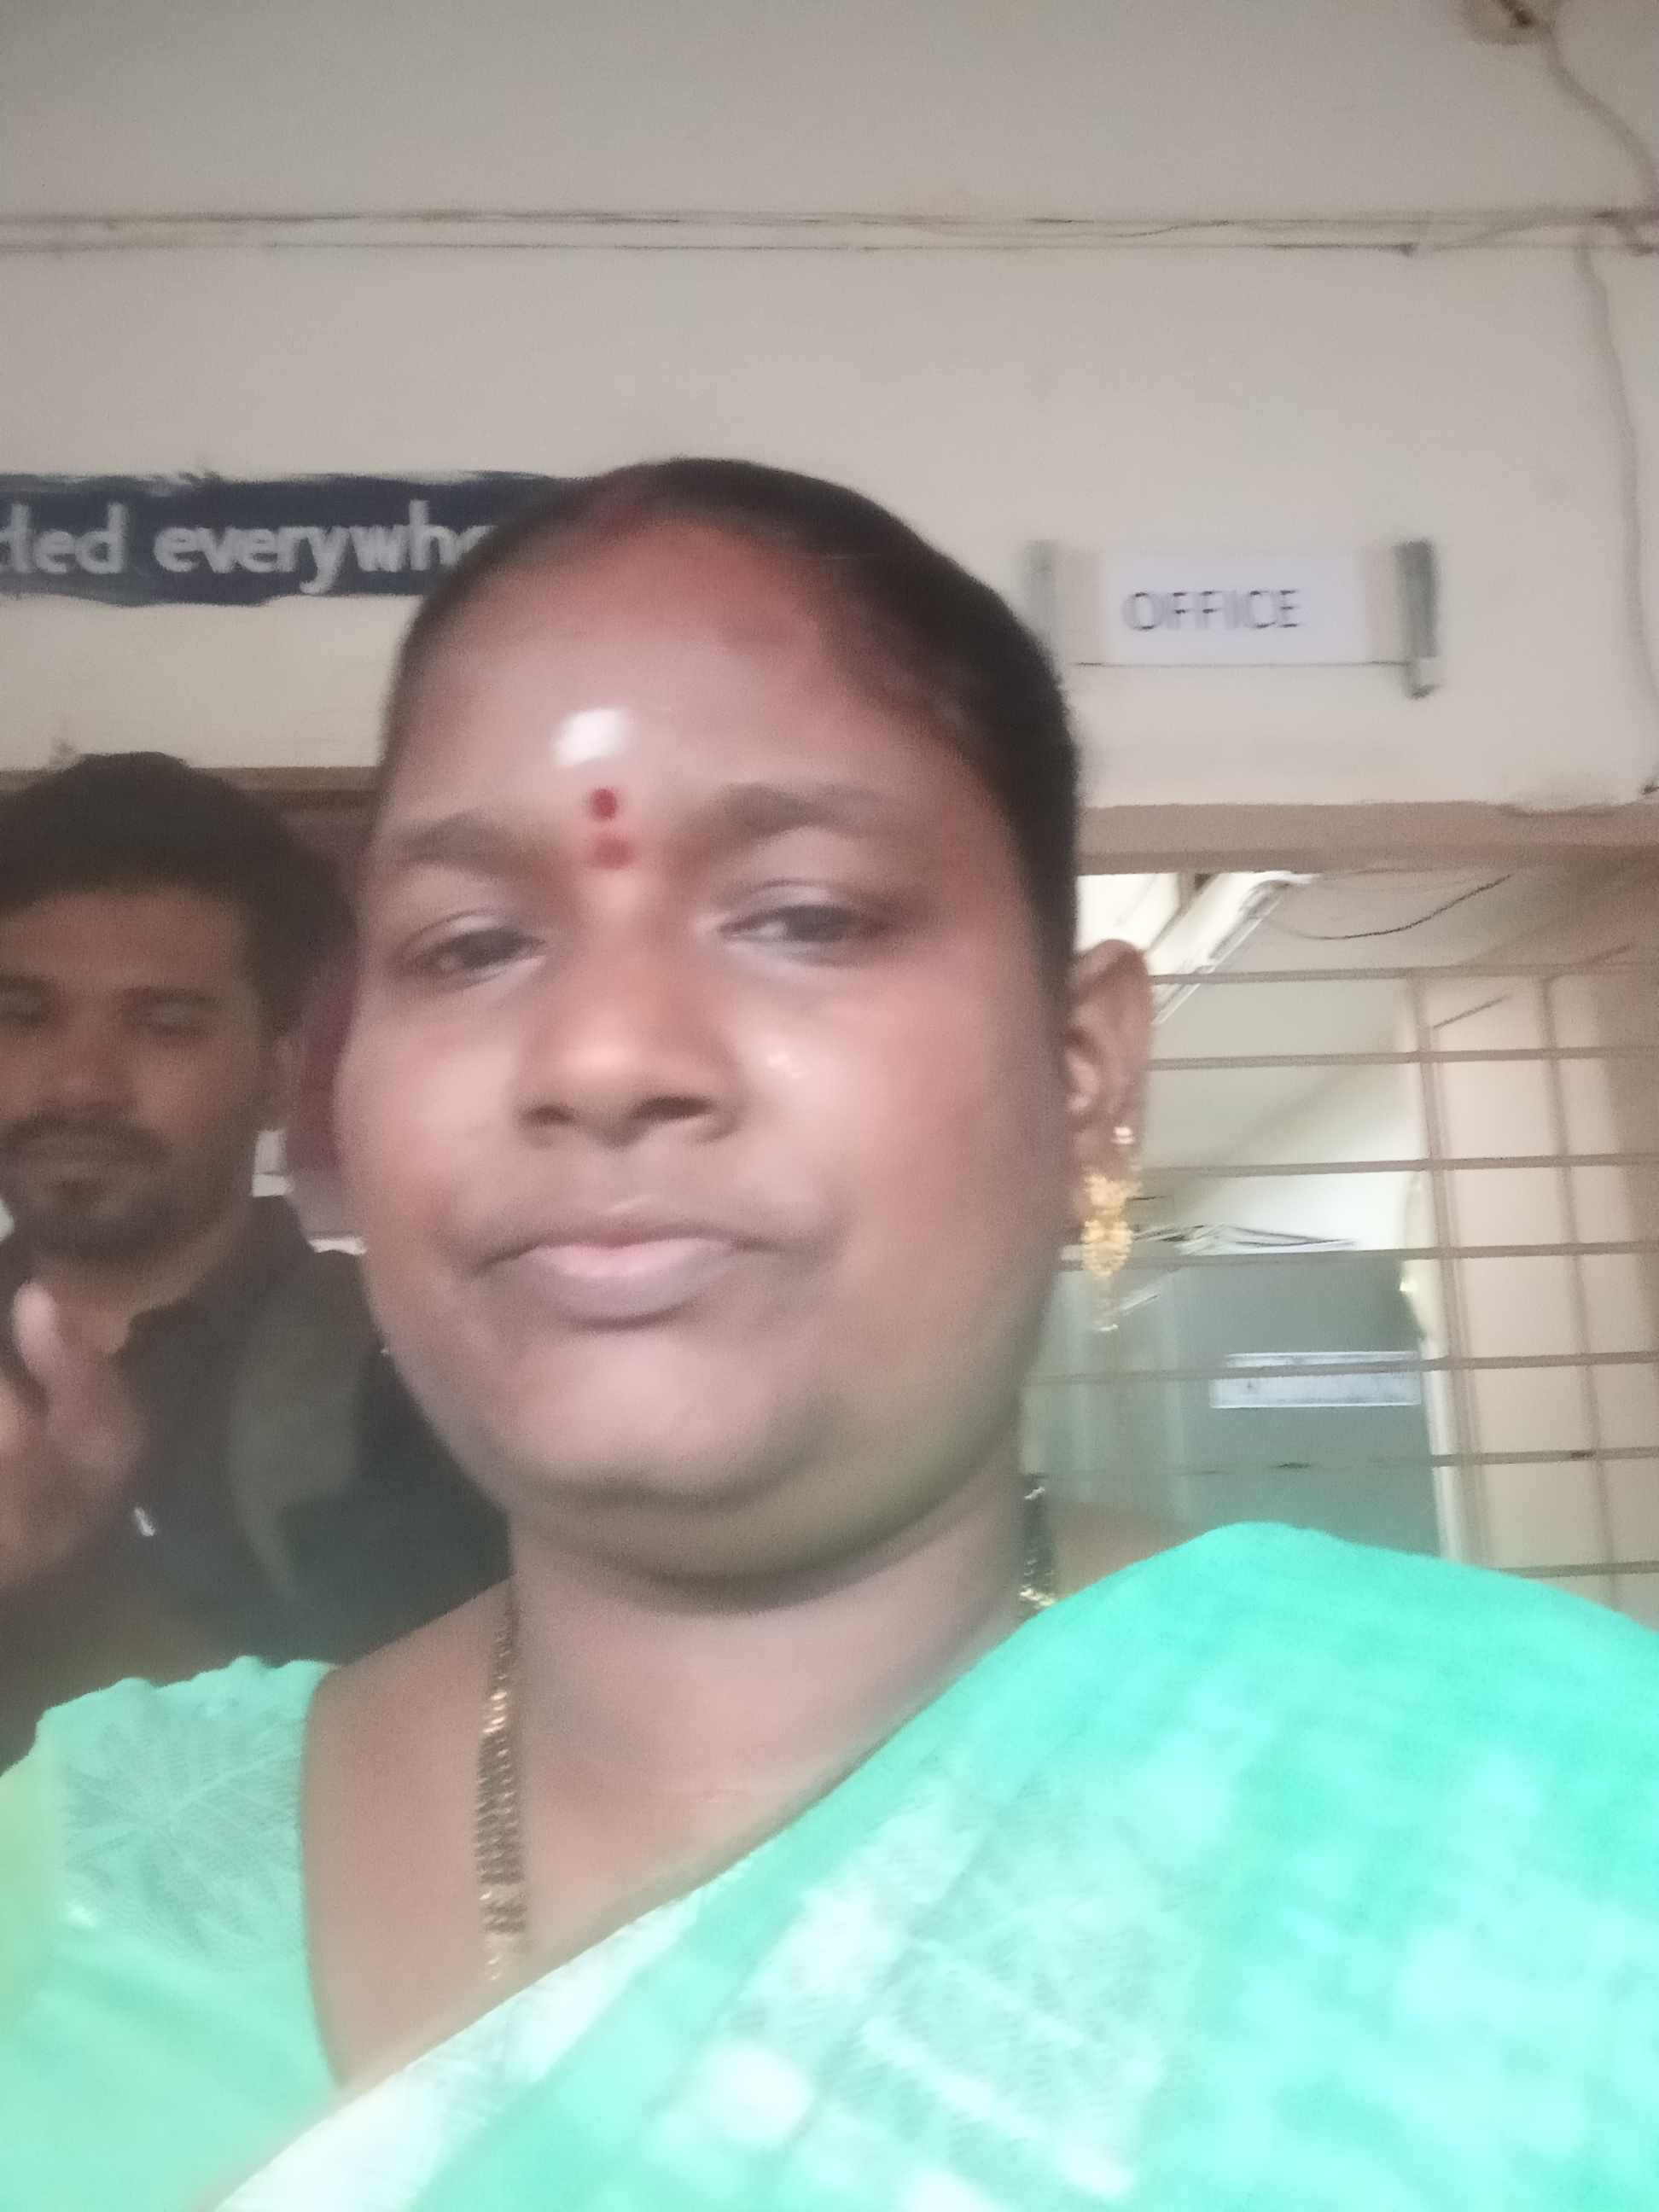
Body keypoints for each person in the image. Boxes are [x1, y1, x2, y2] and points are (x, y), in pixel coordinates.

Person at [2, 464, 1656, 2212]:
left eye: (803, 917)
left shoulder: (1556, 1812)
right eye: (470, 945)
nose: (599, 1056)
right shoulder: (76, 1876)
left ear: (1081, 1076)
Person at [0, 754, 504, 1764]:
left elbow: (446, 1781)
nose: (81, 1083)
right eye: (24, 1017)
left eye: (163, 1026)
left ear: (276, 1079)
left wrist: (68, 1587)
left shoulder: (416, 1387)